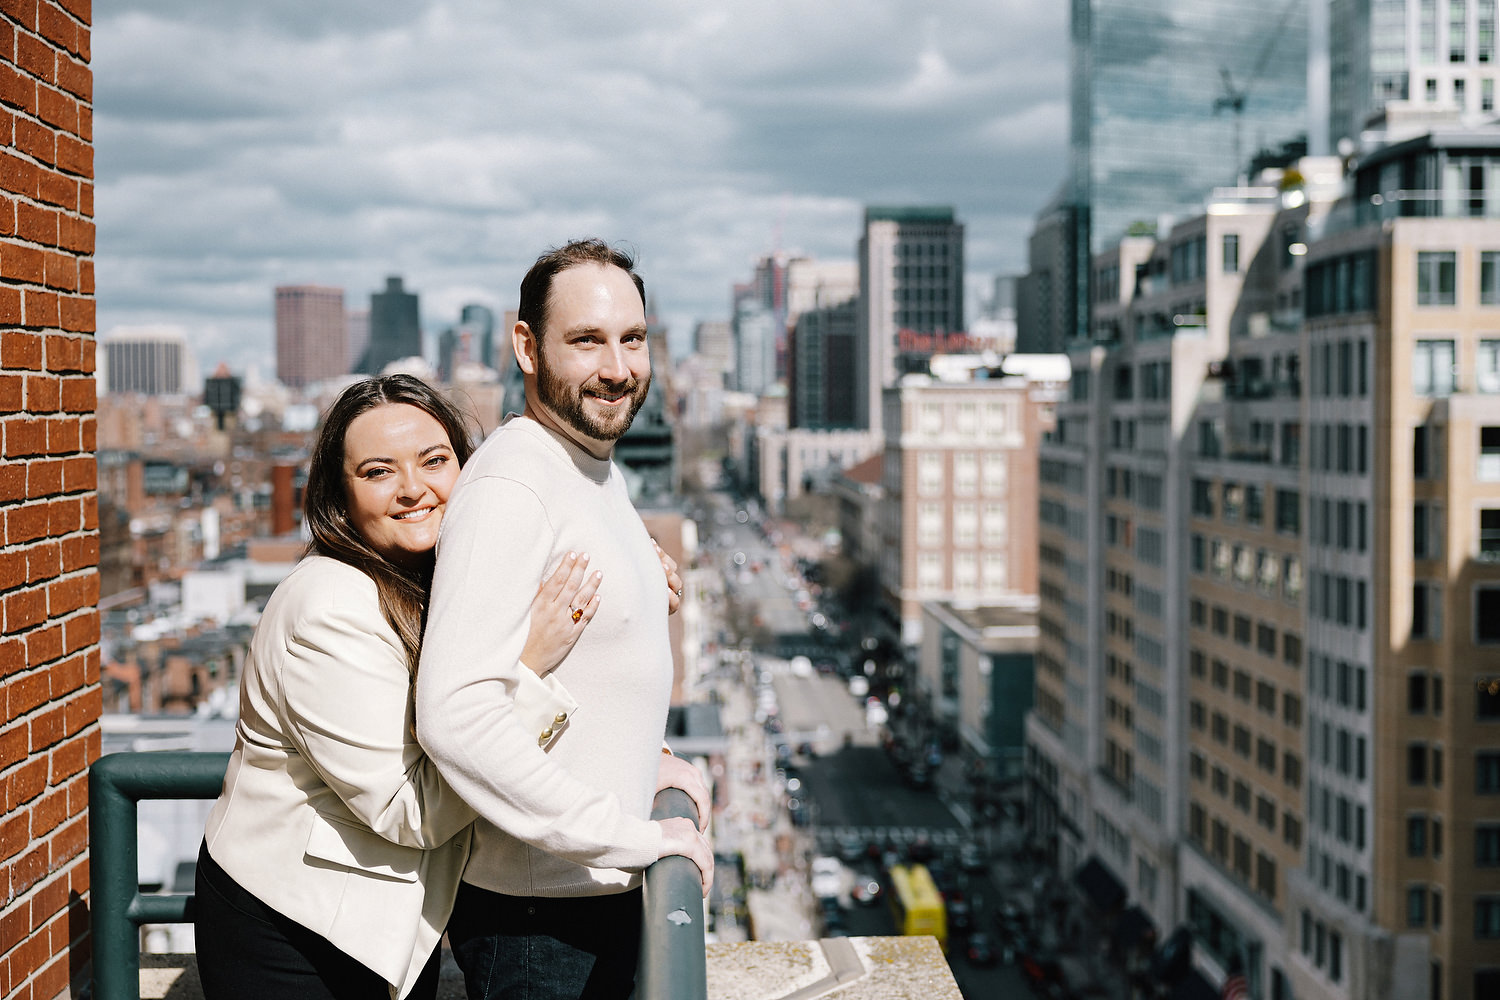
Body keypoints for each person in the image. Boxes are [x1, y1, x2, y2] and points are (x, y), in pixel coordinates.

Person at [194, 374, 681, 1000]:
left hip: (389, 916)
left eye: (435, 460)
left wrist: (634, 569)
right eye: (377, 472)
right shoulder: (328, 608)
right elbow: (410, 811)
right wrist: (525, 667)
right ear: (339, 495)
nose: (413, 489)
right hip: (300, 929)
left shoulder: (431, 578)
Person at [417, 239, 713, 1000]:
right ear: (526, 346)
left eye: (633, 339)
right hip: (538, 926)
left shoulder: (589, 468)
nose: (617, 367)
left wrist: (655, 762)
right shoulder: (515, 484)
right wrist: (637, 836)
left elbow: (598, 672)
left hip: (591, 903)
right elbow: (455, 716)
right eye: (586, 340)